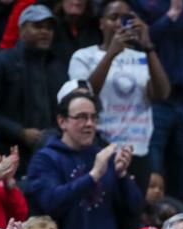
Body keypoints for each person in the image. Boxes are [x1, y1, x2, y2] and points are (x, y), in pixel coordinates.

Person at [24, 89, 143, 229]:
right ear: (62, 121)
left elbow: (134, 209)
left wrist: (122, 176)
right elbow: (50, 202)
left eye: (93, 117)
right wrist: (93, 176)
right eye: (81, 117)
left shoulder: (105, 157)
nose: (89, 124)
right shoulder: (46, 159)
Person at [68, 1, 169, 187]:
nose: (118, 24)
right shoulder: (83, 56)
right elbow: (85, 95)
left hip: (137, 149)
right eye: (112, 18)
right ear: (101, 23)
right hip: (101, 146)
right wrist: (111, 54)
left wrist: (147, 46)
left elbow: (162, 93)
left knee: (134, 211)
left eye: (125, 19)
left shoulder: (141, 57)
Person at [0, 5, 69, 155]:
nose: (45, 32)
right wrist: (19, 132)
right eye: (38, 26)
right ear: (21, 30)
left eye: (49, 28)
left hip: (51, 149)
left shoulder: (58, 67)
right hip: (6, 149)